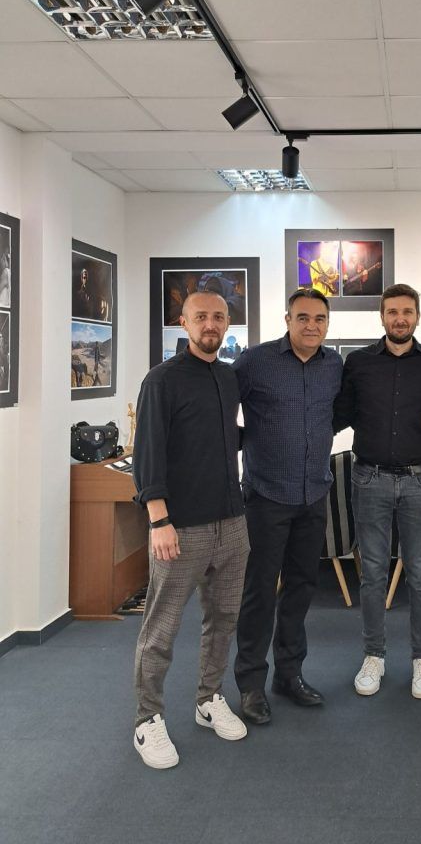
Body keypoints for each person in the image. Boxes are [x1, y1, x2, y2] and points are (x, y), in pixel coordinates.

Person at [132, 291, 250, 769]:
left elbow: (225, 440)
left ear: (226, 324)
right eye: (201, 316)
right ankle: (147, 720)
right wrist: (159, 519)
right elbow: (148, 452)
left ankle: (208, 699)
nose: (211, 324)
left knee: (222, 620)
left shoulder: (227, 377)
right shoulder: (161, 381)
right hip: (179, 527)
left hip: (232, 521)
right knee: (161, 628)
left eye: (218, 317)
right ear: (184, 322)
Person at [334, 284, 421, 699]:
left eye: (407, 312)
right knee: (373, 576)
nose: (400, 318)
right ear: (381, 317)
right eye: (392, 312)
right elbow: (340, 413)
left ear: (417, 316)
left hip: (419, 479)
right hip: (370, 478)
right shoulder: (358, 362)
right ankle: (374, 656)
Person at [234, 289, 343, 725]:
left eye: (319, 319)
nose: (311, 325)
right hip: (265, 495)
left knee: (300, 588)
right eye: (303, 318)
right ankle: (250, 684)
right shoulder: (255, 362)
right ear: (287, 319)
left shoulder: (334, 366)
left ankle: (289, 674)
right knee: (259, 591)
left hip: (313, 493)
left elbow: (339, 414)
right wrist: (244, 444)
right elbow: (222, 409)